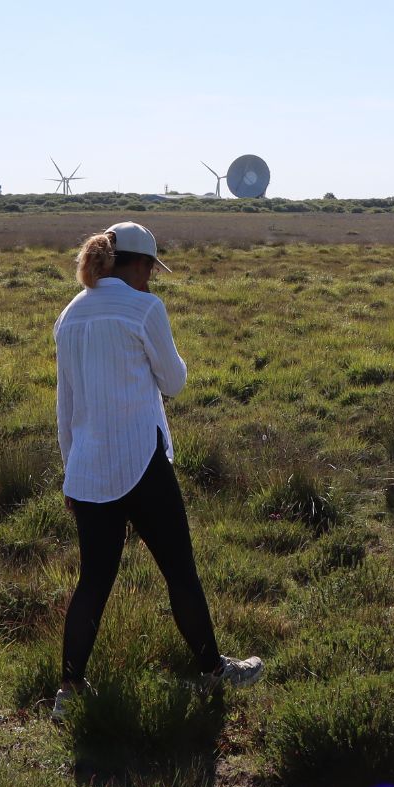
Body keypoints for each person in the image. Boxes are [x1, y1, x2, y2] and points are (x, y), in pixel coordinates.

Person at [52, 222, 261, 723]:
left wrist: (69, 475)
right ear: (140, 264)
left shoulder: (70, 315)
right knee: (179, 570)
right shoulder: (145, 308)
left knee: (93, 581)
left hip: (87, 469)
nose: (152, 278)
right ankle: (214, 670)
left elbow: (66, 405)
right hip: (142, 461)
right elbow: (174, 381)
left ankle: (69, 689)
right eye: (151, 268)